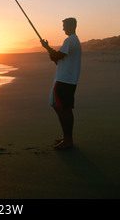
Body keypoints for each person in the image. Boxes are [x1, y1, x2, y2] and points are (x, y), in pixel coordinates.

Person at [41, 17, 81, 150]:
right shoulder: (74, 40)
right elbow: (58, 58)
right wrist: (48, 49)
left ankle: (68, 140)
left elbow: (57, 56)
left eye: (64, 25)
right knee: (58, 106)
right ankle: (67, 137)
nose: (62, 28)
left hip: (64, 80)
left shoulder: (70, 40)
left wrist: (47, 48)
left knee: (63, 108)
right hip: (67, 79)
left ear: (70, 26)